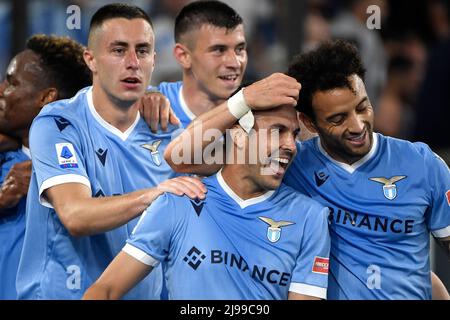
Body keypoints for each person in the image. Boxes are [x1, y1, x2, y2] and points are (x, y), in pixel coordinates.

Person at [163, 40, 450, 300]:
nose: (358, 126)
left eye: (362, 107)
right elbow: (179, 156)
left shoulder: (423, 164)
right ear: (309, 124)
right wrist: (244, 100)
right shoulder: (288, 162)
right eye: (338, 118)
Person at [16, 4, 205, 300]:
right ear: (90, 59)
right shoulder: (58, 123)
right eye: (118, 50)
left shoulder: (169, 131)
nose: (132, 62)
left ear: (154, 60)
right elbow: (76, 215)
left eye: (142, 51)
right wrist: (155, 194)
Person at [83, 101, 330, 300]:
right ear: (239, 135)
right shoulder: (180, 201)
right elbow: (104, 290)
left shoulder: (310, 217)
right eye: (278, 131)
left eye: (295, 134)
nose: (291, 145)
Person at [0, 34, 92, 299]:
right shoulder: (5, 163)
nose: (1, 89)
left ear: (46, 97)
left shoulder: (87, 170)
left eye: (11, 82)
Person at [154, 0, 247, 129]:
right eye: (219, 50)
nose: (235, 63)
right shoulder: (147, 107)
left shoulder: (260, 120)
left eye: (239, 49)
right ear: (184, 56)